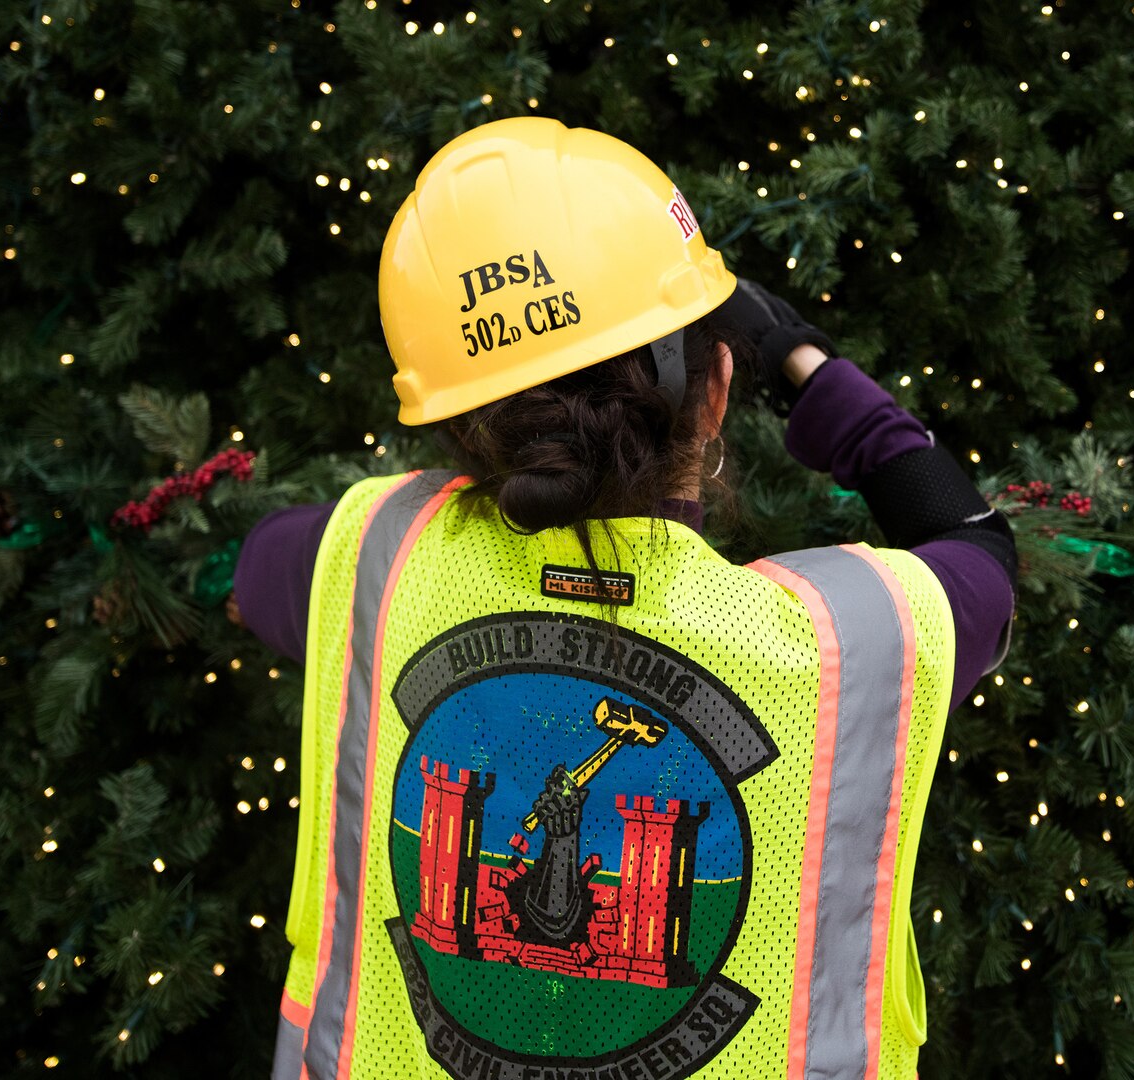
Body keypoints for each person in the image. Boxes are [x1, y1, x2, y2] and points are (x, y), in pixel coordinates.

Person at [235, 117, 1016, 1080]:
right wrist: (809, 362)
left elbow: (257, 565)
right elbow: (978, 550)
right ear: (718, 387)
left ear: (465, 419)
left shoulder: (370, 558)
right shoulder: (852, 639)